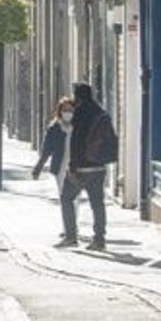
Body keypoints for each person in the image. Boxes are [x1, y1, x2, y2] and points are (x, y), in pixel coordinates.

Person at [61, 83, 118, 251]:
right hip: (99, 167)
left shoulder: (79, 114)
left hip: (82, 167)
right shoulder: (101, 113)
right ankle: (99, 239)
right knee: (97, 204)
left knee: (66, 198)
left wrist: (73, 167)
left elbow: (76, 142)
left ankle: (71, 236)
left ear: (78, 96)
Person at [33, 96, 75, 194]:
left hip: (76, 168)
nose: (67, 113)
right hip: (60, 167)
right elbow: (46, 151)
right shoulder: (54, 129)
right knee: (64, 195)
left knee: (74, 198)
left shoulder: (79, 127)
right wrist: (38, 168)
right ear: (60, 112)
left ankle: (71, 209)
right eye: (65, 110)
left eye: (70, 110)